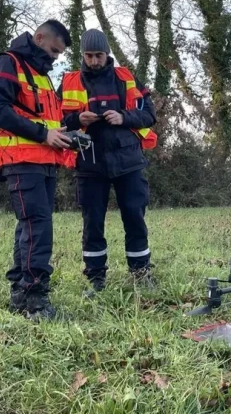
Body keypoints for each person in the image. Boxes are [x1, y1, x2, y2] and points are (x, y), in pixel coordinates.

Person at [0, 19, 75, 321]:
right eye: (52, 50)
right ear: (38, 38)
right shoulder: (8, 63)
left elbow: (46, 123)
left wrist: (67, 132)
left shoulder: (42, 76)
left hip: (44, 161)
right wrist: (43, 134)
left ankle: (21, 296)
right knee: (37, 227)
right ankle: (35, 302)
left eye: (59, 54)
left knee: (30, 227)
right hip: (22, 161)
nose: (54, 58)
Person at [57, 29, 158, 298]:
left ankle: (141, 273)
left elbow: (149, 115)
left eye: (98, 55)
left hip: (129, 161)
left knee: (135, 218)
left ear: (107, 53)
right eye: (88, 56)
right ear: (82, 55)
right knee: (92, 223)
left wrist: (124, 117)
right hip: (89, 162)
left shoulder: (126, 77)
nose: (93, 61)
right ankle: (95, 279)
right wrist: (78, 120)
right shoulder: (68, 82)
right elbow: (53, 121)